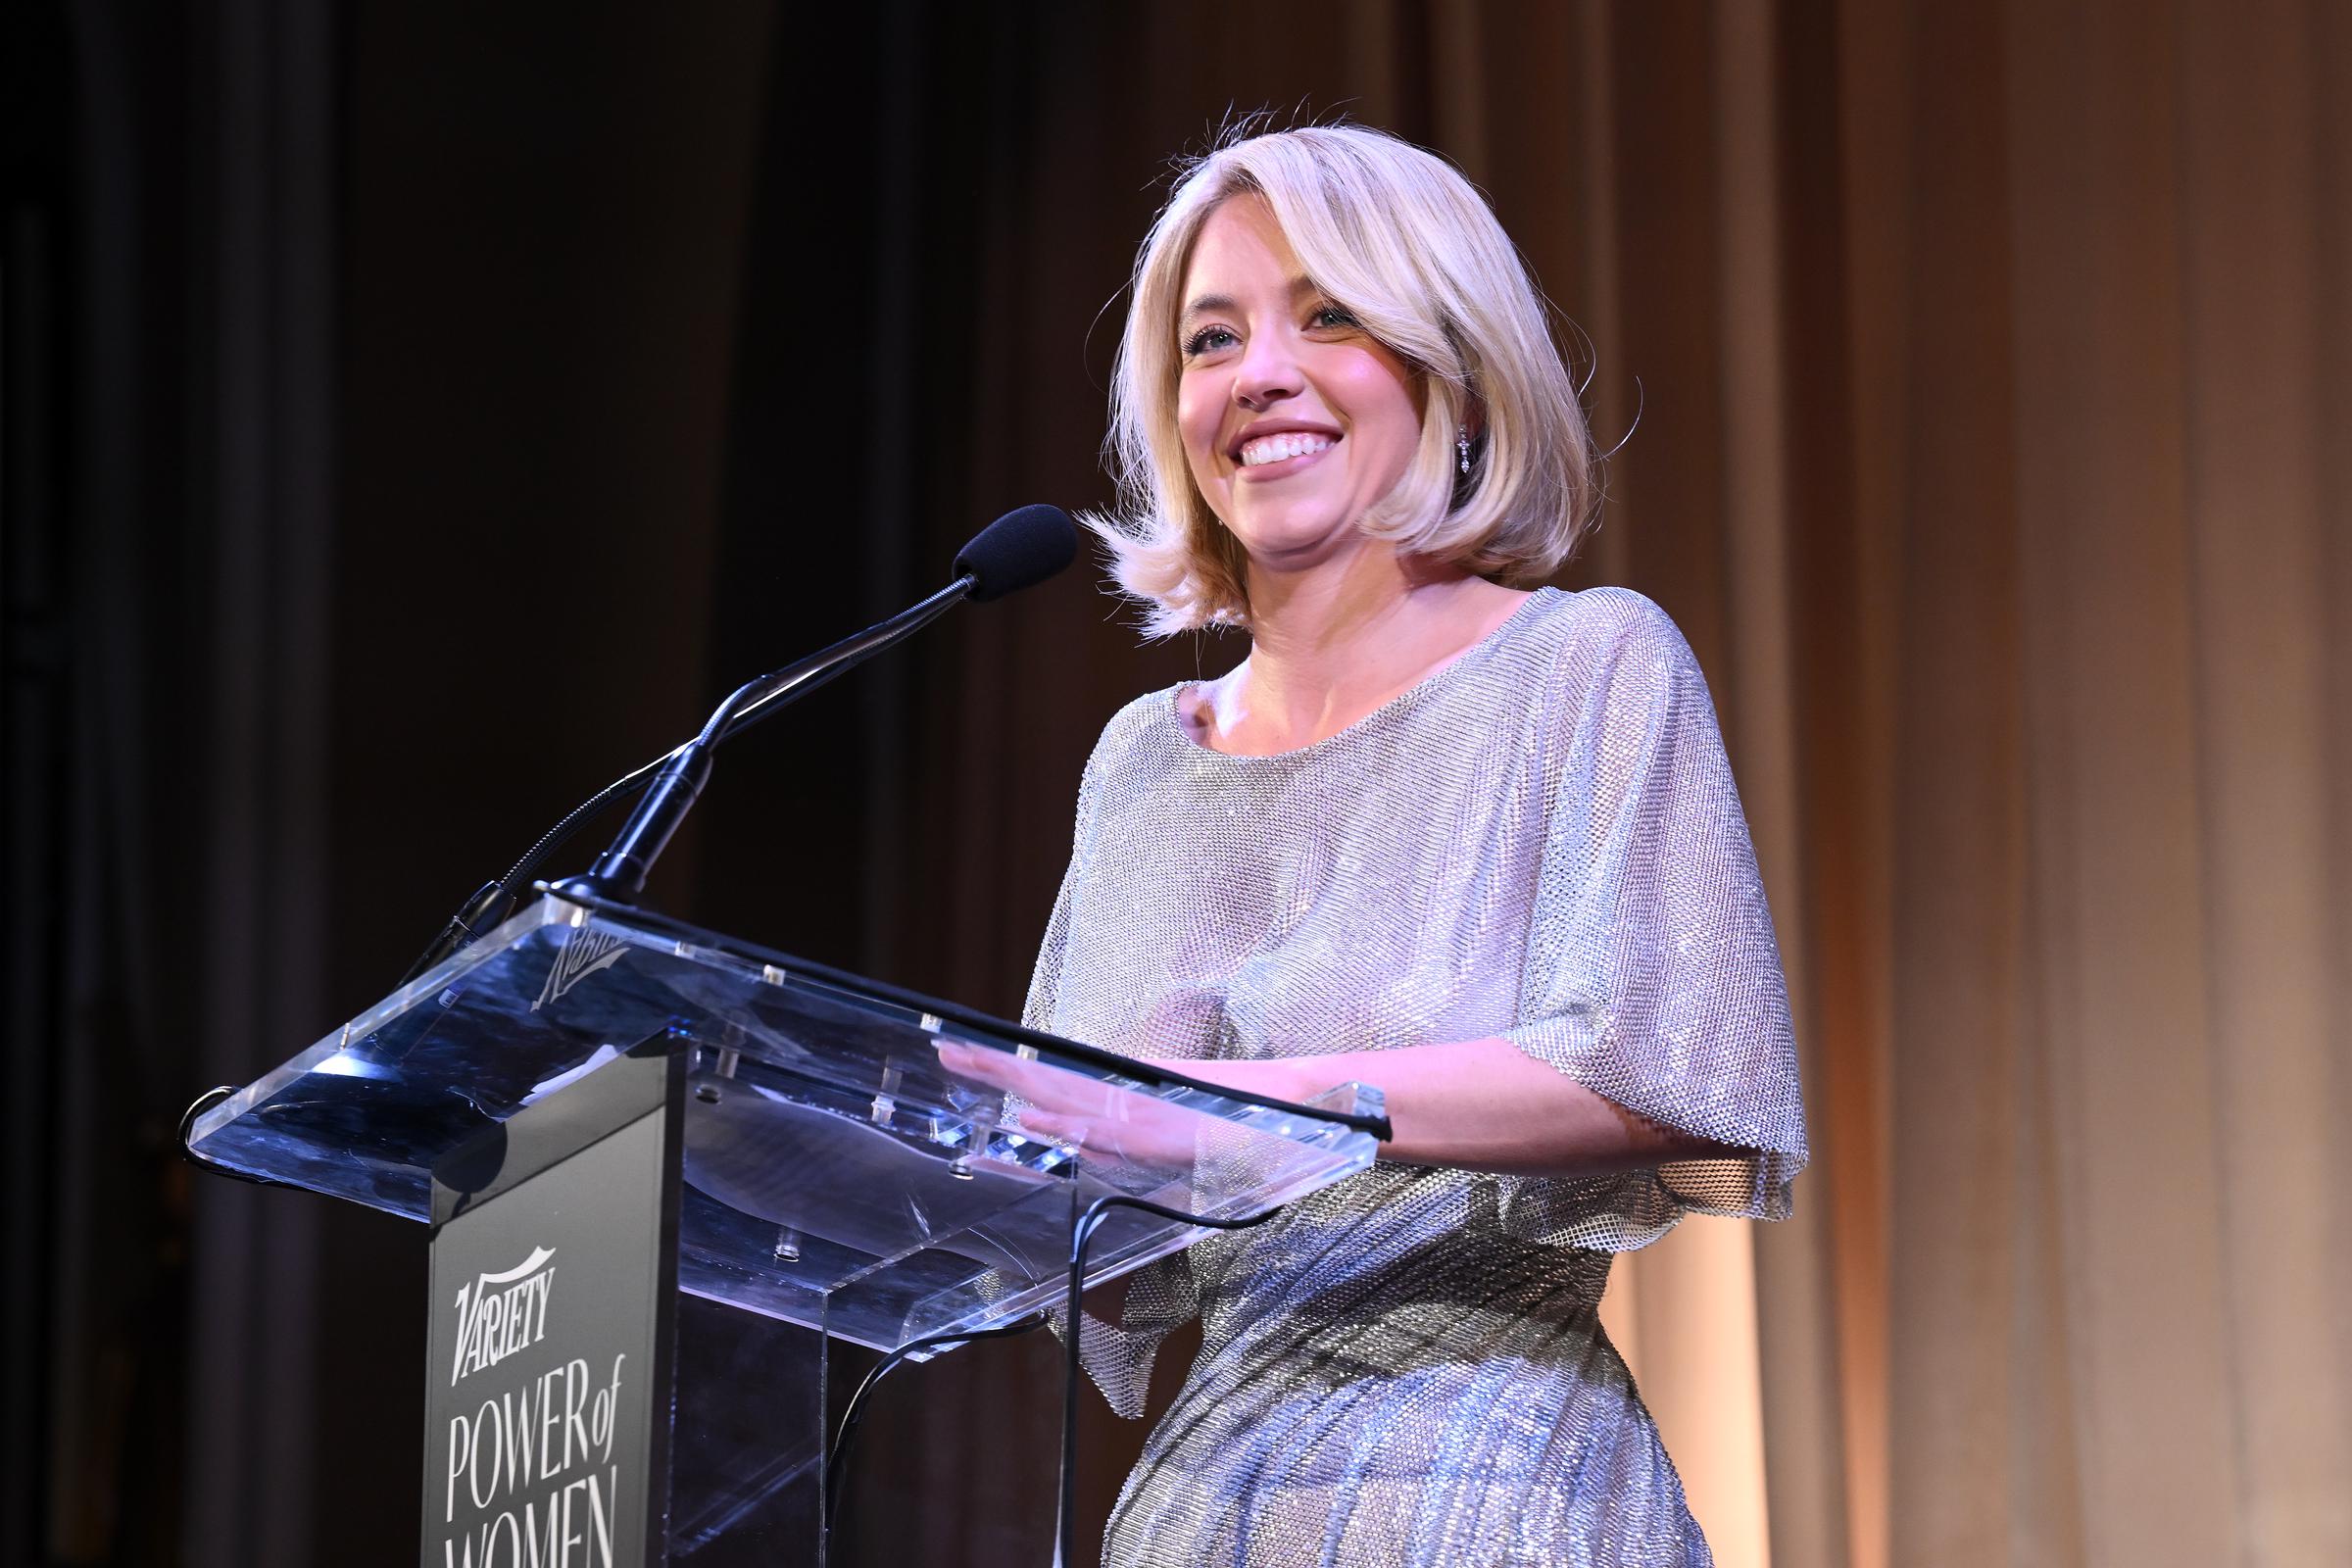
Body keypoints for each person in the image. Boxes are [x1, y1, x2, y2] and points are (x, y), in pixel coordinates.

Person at [964, 123, 1806, 1568]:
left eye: (1330, 316)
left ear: (1453, 364)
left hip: (1482, 1479)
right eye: (1211, 338)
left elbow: (1671, 1066)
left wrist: (1247, 1103)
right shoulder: (1141, 768)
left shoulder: (1587, 667)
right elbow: (1096, 1198)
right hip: (1197, 1501)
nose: (1260, 376)